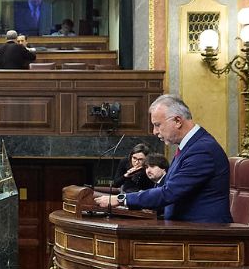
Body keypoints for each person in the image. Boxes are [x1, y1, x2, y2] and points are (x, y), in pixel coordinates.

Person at [94, 95, 232, 223]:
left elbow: (169, 192)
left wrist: (122, 199)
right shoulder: (190, 147)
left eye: (157, 125)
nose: (154, 131)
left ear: (177, 121)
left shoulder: (202, 150)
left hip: (205, 232)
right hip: (185, 227)